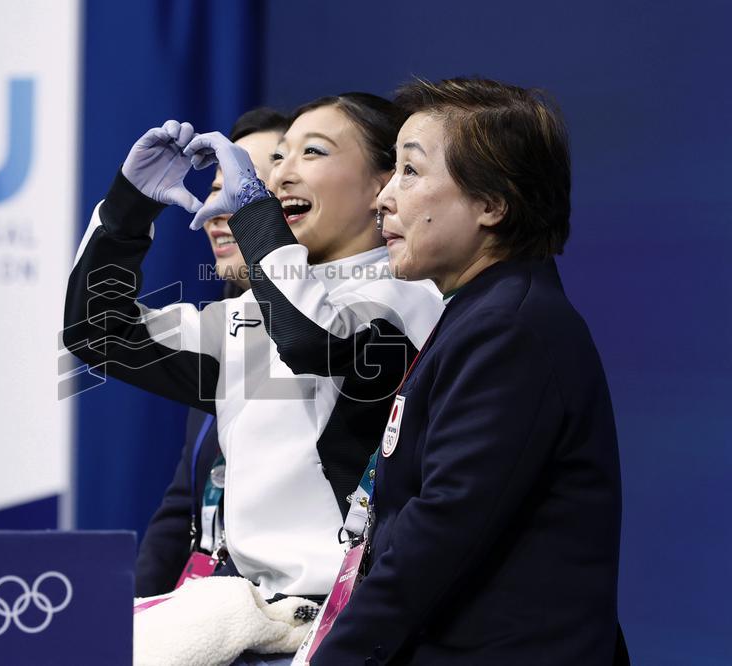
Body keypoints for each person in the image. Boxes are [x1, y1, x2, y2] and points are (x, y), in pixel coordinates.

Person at [63, 93, 442, 599]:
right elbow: (99, 331)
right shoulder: (248, 316)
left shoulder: (410, 298)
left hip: (348, 621)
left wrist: (257, 220)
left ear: (382, 184)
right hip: (253, 616)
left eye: (313, 152)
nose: (280, 175)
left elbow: (313, 341)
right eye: (279, 157)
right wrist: (128, 207)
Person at [300, 78, 625, 665]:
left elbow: (440, 533)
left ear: (492, 205)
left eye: (411, 172)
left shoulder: (511, 330)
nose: (384, 199)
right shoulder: (481, 315)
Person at [135, 108, 289, 597]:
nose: (219, 209)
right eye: (218, 185)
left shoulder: (345, 333)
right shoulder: (224, 326)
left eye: (248, 187)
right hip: (203, 604)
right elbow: (182, 507)